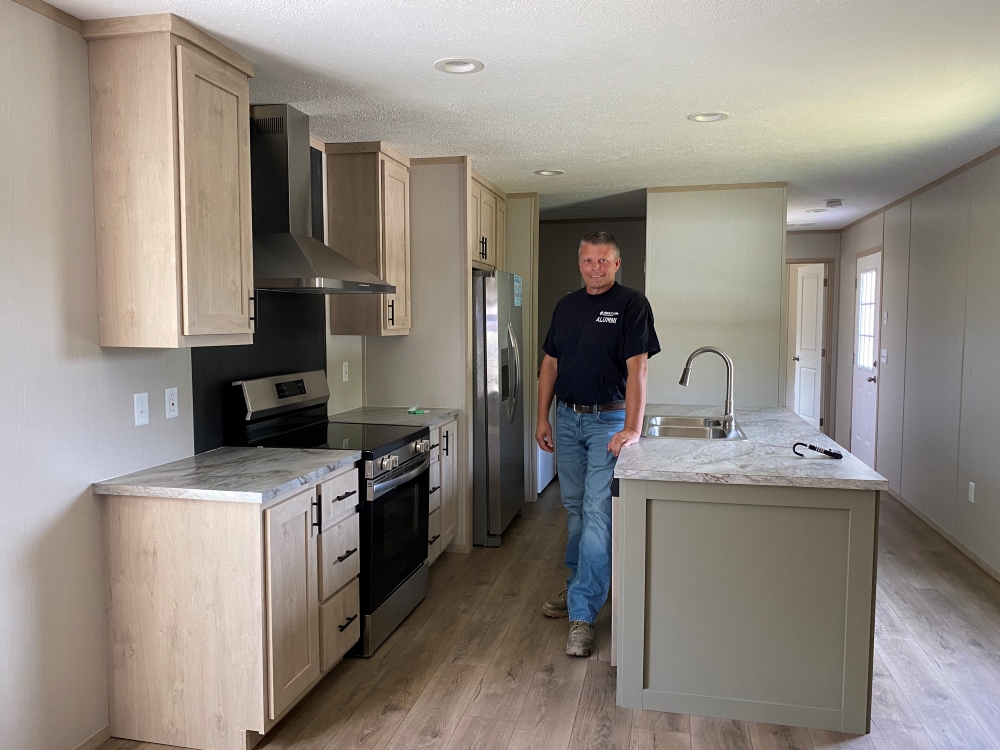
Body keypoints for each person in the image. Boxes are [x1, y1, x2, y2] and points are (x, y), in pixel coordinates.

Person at [536, 230, 660, 657]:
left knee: (596, 514)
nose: (595, 268)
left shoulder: (631, 305)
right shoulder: (566, 306)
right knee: (573, 511)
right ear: (580, 263)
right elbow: (549, 365)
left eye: (603, 261)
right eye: (588, 261)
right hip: (567, 419)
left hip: (607, 421)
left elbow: (638, 371)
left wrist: (632, 427)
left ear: (617, 263)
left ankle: (583, 614)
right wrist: (542, 417)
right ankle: (578, 589)